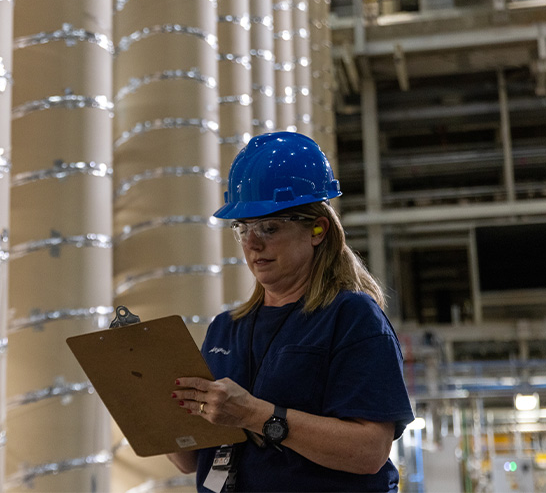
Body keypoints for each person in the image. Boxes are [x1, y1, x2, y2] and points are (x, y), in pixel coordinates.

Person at [168, 131, 414, 492]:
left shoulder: (351, 318)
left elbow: (370, 451)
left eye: (269, 227)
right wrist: (147, 408)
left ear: (318, 229)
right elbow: (190, 460)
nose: (252, 244)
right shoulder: (226, 329)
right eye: (243, 228)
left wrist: (254, 414)